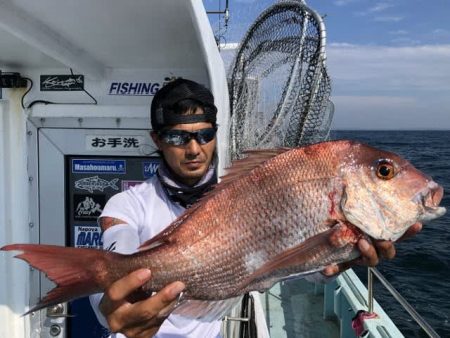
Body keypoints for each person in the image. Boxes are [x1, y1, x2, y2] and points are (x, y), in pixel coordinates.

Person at [90, 78, 421, 338]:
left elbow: (282, 264)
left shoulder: (240, 191)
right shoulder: (128, 203)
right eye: (177, 138)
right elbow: (119, 257)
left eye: (204, 135)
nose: (193, 149)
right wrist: (109, 308)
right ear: (157, 140)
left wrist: (334, 262)